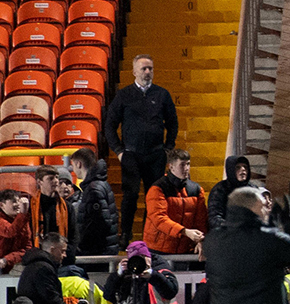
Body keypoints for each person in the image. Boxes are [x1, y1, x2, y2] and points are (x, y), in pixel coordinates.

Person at [102, 54, 178, 235]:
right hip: (131, 154)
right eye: (144, 68)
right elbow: (109, 125)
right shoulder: (124, 95)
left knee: (154, 197)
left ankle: (149, 234)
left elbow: (172, 123)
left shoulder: (162, 94)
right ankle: (125, 235)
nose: (148, 72)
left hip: (156, 155)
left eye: (150, 68)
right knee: (130, 196)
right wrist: (119, 151)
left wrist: (168, 148)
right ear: (134, 72)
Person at [143, 148, 207, 256]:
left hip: (185, 249)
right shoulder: (158, 188)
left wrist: (201, 240)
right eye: (182, 165)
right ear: (171, 166)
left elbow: (201, 220)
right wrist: (184, 231)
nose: (186, 168)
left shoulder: (196, 189)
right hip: (158, 248)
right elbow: (159, 219)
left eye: (188, 164)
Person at [63, 148, 119, 261]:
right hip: (102, 249)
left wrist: (82, 244)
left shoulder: (93, 189)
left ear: (78, 164)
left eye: (73, 165)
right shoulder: (99, 184)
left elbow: (99, 223)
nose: (73, 170)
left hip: (97, 252)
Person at [207, 154, 254, 230]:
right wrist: (232, 227)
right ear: (231, 170)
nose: (243, 169)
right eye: (238, 167)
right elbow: (214, 218)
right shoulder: (220, 189)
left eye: (245, 167)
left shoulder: (253, 189)